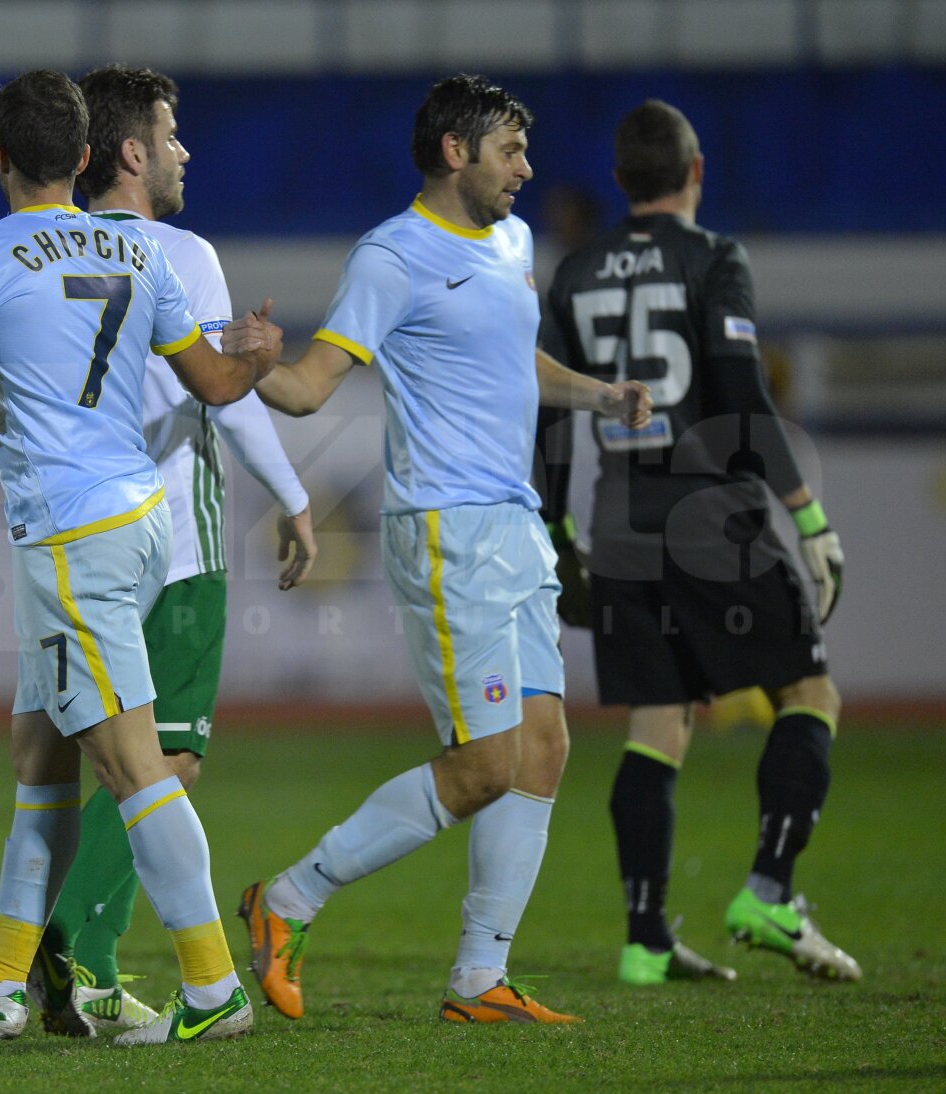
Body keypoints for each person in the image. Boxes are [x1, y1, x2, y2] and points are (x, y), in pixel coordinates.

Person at [0, 69, 282, 1045]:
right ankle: (1, 980)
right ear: (86, 157)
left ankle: (213, 986)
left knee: (136, 767)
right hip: (135, 525)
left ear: (1, 158)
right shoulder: (137, 246)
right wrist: (256, 353)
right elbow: (216, 380)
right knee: (40, 753)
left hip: (70, 537)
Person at [221, 73, 651, 1024]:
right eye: (511, 152)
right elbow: (308, 388)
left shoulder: (512, 240)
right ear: (455, 151)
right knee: (485, 764)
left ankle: (478, 980)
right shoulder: (393, 257)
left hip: (516, 524)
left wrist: (599, 394)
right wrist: (250, 365)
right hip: (447, 533)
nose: (527, 171)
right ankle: (286, 899)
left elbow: (512, 358)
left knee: (543, 750)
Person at [536, 98, 859, 986]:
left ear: (620, 180)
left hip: (621, 516)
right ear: (696, 171)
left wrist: (557, 525)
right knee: (810, 690)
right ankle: (769, 890)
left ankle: (643, 937)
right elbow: (742, 395)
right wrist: (807, 516)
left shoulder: (575, 269)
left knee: (658, 720)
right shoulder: (714, 257)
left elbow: (553, 410)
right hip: (712, 508)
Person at [26, 64, 317, 1039]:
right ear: (134, 153)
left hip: (85, 538)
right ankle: (75, 939)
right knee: (171, 760)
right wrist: (295, 496)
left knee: (105, 754)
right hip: (180, 543)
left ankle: (75, 959)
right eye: (172, 132)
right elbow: (223, 398)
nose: (186, 149)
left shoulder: (46, 250)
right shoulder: (182, 253)